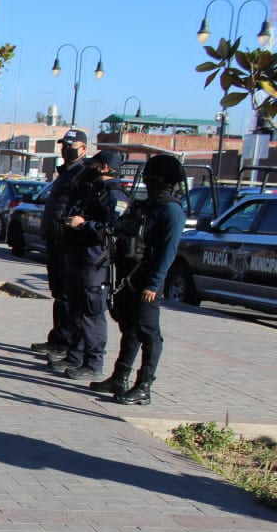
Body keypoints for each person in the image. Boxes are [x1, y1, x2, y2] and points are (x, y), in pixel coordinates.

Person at [91, 153, 186, 405]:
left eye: (151, 177)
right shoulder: (147, 205)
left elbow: (168, 251)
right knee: (130, 327)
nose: (146, 181)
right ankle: (120, 377)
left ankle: (144, 386)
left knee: (148, 332)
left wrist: (154, 284)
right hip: (129, 275)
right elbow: (123, 228)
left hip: (148, 280)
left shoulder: (171, 211)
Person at [49, 150, 129, 380]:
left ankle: (93, 362)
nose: (88, 167)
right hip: (79, 256)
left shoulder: (115, 195)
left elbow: (114, 229)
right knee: (76, 309)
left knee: (91, 312)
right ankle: (76, 356)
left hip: (95, 262)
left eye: (93, 164)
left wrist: (84, 225)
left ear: (104, 167)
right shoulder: (93, 189)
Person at [31, 128, 89, 357]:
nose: (65, 149)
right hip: (56, 241)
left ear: (83, 149)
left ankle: (66, 342)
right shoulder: (66, 173)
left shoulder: (82, 174)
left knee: (67, 295)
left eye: (71, 146)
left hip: (69, 243)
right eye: (64, 145)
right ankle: (58, 337)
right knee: (59, 294)